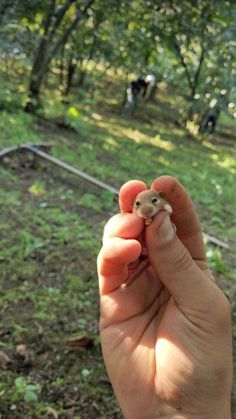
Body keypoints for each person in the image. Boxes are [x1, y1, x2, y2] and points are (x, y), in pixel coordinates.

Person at [97, 176, 232, 419]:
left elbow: (166, 211)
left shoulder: (164, 213)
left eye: (153, 202)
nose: (146, 208)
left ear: (160, 201)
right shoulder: (140, 217)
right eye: (138, 205)